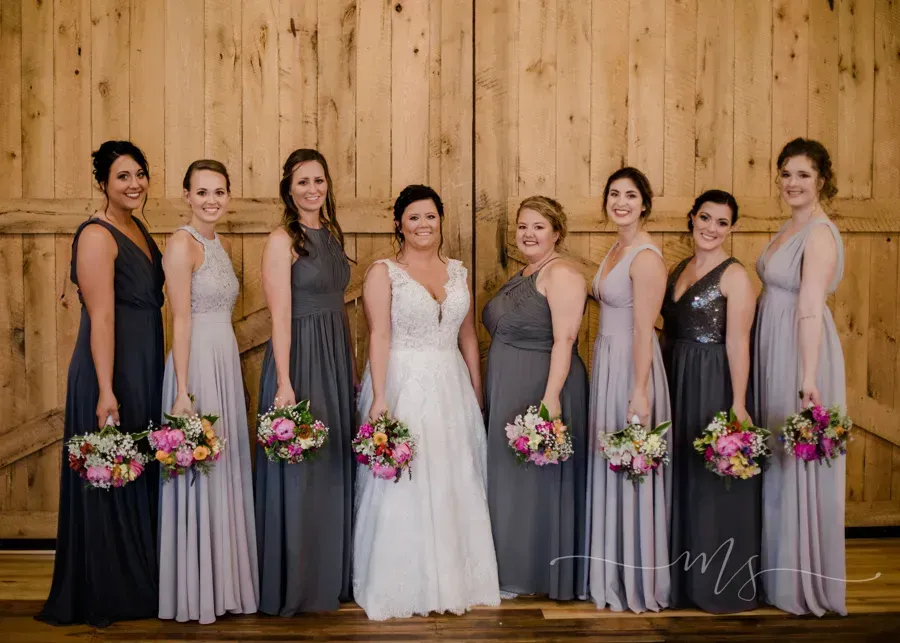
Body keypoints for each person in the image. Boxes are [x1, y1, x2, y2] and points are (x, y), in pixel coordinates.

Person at [353, 184, 501, 620]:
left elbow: (467, 335)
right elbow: (379, 335)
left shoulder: (458, 272)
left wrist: (476, 390)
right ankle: (402, 580)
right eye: (414, 217)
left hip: (451, 383)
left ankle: (456, 578)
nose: (423, 225)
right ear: (399, 224)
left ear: (441, 220)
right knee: (407, 479)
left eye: (431, 216)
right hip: (402, 380)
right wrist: (381, 397)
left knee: (454, 474)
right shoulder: (384, 272)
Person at [38, 140, 164, 626]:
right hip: (109, 370)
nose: (134, 184)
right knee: (112, 474)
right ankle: (112, 590)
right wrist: (107, 389)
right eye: (122, 177)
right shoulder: (97, 234)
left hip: (143, 364)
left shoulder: (136, 225)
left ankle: (140, 579)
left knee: (137, 469)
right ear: (103, 184)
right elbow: (103, 317)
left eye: (139, 174)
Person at [254, 149, 356, 615]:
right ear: (288, 190)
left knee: (331, 465)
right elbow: (279, 316)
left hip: (333, 356)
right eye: (303, 182)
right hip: (300, 358)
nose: (313, 189)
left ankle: (331, 573)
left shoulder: (331, 233)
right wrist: (285, 380)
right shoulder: (282, 240)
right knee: (303, 470)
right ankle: (298, 582)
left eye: (319, 180)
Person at [158, 160, 258, 623]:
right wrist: (182, 390)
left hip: (224, 358)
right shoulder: (181, 244)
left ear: (228, 196)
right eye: (201, 192)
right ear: (187, 196)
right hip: (196, 361)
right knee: (202, 466)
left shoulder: (220, 243)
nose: (211, 200)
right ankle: (198, 591)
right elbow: (179, 318)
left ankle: (225, 582)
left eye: (219, 192)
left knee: (225, 465)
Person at [753, 138, 847, 616]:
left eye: (803, 175)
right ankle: (774, 570)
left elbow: (809, 307)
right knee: (773, 454)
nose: (792, 183)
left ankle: (799, 579)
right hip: (773, 341)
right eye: (786, 173)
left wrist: (808, 377)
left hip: (799, 349)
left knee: (795, 459)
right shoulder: (789, 226)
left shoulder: (820, 234)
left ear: (822, 181)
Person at [482, 195, 589, 600]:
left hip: (542, 388)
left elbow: (565, 340)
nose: (528, 234)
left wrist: (551, 398)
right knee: (513, 482)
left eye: (539, 227)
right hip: (510, 389)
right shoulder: (525, 272)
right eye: (523, 226)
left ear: (557, 233)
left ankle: (539, 573)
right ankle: (512, 565)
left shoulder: (561, 274)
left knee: (538, 481)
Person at [661, 190, 759, 613]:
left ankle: (718, 582)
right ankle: (682, 578)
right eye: (705, 218)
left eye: (722, 222)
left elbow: (738, 342)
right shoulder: (679, 267)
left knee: (709, 478)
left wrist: (738, 402)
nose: (711, 228)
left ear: (731, 229)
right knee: (681, 472)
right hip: (677, 373)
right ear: (692, 218)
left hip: (713, 378)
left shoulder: (734, 276)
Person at [587, 167, 671, 613]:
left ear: (645, 204)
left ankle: (636, 577)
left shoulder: (645, 257)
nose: (621, 202)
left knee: (630, 460)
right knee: (610, 461)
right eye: (614, 194)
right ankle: (609, 569)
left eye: (631, 195)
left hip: (631, 365)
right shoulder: (616, 249)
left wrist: (639, 389)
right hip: (608, 359)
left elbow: (644, 329)